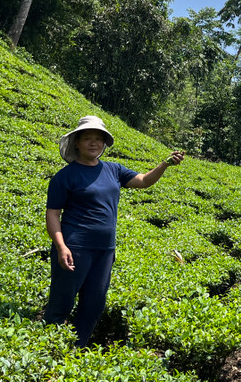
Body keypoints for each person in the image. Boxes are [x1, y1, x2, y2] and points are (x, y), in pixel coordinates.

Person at [42, 115, 184, 347]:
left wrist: (165, 163)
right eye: (87, 138)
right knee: (62, 302)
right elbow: (53, 214)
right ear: (76, 142)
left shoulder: (113, 170)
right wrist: (61, 247)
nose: (94, 143)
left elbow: (144, 181)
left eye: (99, 139)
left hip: (104, 250)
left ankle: (77, 350)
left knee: (95, 303)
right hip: (75, 247)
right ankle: (46, 349)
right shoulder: (64, 176)